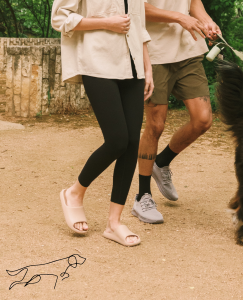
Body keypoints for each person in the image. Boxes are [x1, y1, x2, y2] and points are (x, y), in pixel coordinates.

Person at [51, 0, 154, 246]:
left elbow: (139, 24)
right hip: (97, 63)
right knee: (117, 140)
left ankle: (114, 223)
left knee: (131, 143)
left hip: (134, 67)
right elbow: (59, 18)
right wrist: (106, 23)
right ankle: (75, 192)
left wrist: (148, 69)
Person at [130, 0, 221, 223]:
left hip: (188, 51)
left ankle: (161, 162)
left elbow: (192, 2)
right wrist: (180, 18)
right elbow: (138, 8)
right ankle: (142, 195)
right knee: (156, 125)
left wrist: (207, 22)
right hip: (155, 53)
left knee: (203, 120)